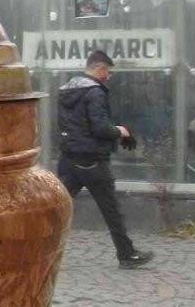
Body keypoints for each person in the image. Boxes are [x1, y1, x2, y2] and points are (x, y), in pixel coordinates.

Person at [57, 50, 154, 269]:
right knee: (111, 211)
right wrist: (121, 131)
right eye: (107, 72)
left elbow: (72, 126)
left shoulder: (65, 91)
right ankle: (127, 255)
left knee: (56, 209)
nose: (108, 76)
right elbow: (99, 128)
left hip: (69, 159)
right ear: (99, 69)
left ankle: (34, 251)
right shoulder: (95, 92)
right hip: (93, 162)